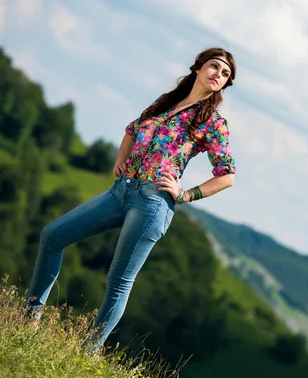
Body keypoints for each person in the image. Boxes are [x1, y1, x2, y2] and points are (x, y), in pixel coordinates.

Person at [22, 47, 237, 351]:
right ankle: (29, 316)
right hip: (120, 191)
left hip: (153, 203)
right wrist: (120, 160)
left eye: (225, 74)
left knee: (118, 280)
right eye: (215, 67)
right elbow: (132, 130)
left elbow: (227, 176)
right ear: (199, 68)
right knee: (52, 235)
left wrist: (187, 194)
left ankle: (89, 351)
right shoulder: (167, 103)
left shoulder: (212, 123)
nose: (218, 75)